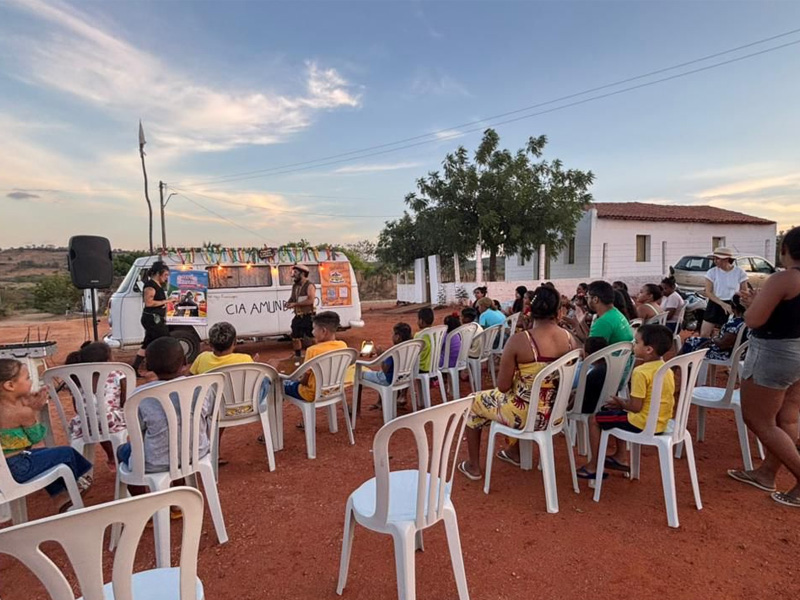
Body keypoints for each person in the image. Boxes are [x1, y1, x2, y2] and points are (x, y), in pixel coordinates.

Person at [458, 286, 577, 480]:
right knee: (514, 398)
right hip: (554, 412)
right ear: (558, 311)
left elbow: (503, 387)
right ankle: (514, 452)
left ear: (529, 310)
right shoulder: (570, 339)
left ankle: (473, 466)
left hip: (525, 413)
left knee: (473, 402)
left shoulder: (520, 341)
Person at [727, 226, 800, 507]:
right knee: (787, 419)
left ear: (785, 250)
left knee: (759, 420)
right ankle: (767, 473)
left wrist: (753, 304)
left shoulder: (783, 280)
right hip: (796, 352)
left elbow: (754, 321)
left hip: (774, 352)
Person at [578, 325, 675, 480]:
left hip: (641, 423)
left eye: (636, 342)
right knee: (614, 414)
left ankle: (594, 465)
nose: (633, 345)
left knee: (594, 419)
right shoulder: (666, 369)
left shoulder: (641, 372)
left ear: (648, 349)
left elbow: (636, 407)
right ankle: (619, 456)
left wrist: (621, 403)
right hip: (661, 422)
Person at [0, 359, 93, 512]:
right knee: (65, 453)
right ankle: (78, 483)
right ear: (10, 385)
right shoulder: (22, 412)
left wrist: (26, 403)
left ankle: (61, 497)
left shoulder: (8, 407)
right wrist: (35, 409)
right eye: (27, 378)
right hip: (19, 466)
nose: (30, 382)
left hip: (5, 465)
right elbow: (36, 438)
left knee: (46, 457)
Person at [117, 337, 215, 476]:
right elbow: (209, 415)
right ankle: (180, 484)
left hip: (155, 463)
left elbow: (137, 431)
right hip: (198, 453)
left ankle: (142, 496)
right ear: (185, 362)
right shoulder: (201, 387)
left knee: (122, 451)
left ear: (148, 367)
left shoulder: (139, 396)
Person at [66, 341, 127, 472]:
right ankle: (122, 457)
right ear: (107, 360)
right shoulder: (118, 374)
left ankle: (110, 455)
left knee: (97, 421)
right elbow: (125, 402)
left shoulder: (77, 378)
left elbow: (77, 407)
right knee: (107, 420)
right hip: (111, 421)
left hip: (84, 424)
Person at [283, 311, 352, 402]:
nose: (312, 332)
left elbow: (304, 381)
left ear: (323, 331)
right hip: (334, 390)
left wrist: (297, 379)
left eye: (314, 329)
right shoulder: (343, 346)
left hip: (312, 393)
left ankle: (273, 415)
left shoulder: (312, 350)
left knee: (279, 384)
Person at [680, 295, 746, 361]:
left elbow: (723, 344)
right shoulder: (747, 321)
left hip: (724, 353)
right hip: (738, 353)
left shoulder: (734, 323)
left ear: (733, 308)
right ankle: (686, 365)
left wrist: (713, 339)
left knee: (689, 341)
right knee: (693, 341)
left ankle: (681, 366)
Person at [132, 261, 170, 376]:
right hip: (152, 319)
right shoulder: (150, 285)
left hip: (155, 318)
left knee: (148, 343)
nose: (166, 278)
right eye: (165, 275)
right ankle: (160, 367)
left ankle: (135, 367)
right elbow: (149, 303)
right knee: (165, 340)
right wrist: (165, 301)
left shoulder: (156, 285)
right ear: (158, 273)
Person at [701, 247, 748, 337]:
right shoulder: (711, 272)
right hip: (715, 303)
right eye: (714, 258)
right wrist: (722, 304)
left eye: (718, 258)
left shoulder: (740, 272)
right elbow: (708, 292)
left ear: (726, 259)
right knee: (704, 333)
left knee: (728, 334)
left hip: (733, 306)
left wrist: (738, 306)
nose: (715, 261)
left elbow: (744, 291)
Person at [362, 322, 413, 388]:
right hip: (404, 378)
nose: (392, 336)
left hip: (389, 380)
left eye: (393, 334)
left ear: (397, 337)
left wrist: (381, 356)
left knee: (360, 374)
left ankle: (357, 398)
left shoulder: (394, 351)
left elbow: (385, 370)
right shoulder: (410, 348)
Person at [287, 263, 317, 363]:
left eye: (296, 272)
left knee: (311, 336)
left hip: (308, 315)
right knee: (295, 336)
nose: (294, 274)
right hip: (298, 316)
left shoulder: (309, 285)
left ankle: (317, 355)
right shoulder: (295, 286)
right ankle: (298, 356)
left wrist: (295, 304)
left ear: (302, 273)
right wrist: (288, 303)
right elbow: (292, 298)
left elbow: (310, 300)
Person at [578, 336, 609, 414]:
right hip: (601, 404)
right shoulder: (608, 368)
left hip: (586, 407)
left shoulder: (591, 372)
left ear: (588, 355)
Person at [413, 307, 436, 373]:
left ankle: (419, 383)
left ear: (421, 321)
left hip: (421, 368)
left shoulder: (419, 335)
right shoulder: (436, 333)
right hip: (434, 366)